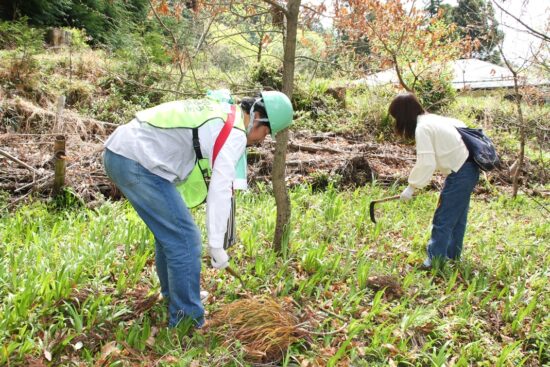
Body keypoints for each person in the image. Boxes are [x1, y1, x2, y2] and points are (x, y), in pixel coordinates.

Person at [103, 90, 293, 328]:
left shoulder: (224, 112)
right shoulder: (234, 132)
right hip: (135, 160)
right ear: (257, 119)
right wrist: (216, 245)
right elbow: (220, 189)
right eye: (265, 134)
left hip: (123, 153)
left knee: (171, 236)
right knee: (185, 239)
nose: (261, 141)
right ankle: (187, 319)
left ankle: (177, 297)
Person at [388, 92, 479, 269]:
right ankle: (452, 257)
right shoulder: (436, 119)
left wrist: (411, 188)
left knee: (443, 218)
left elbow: (426, 162)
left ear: (403, 115)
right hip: (470, 168)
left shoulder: (423, 128)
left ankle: (434, 262)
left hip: (461, 172)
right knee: (457, 217)